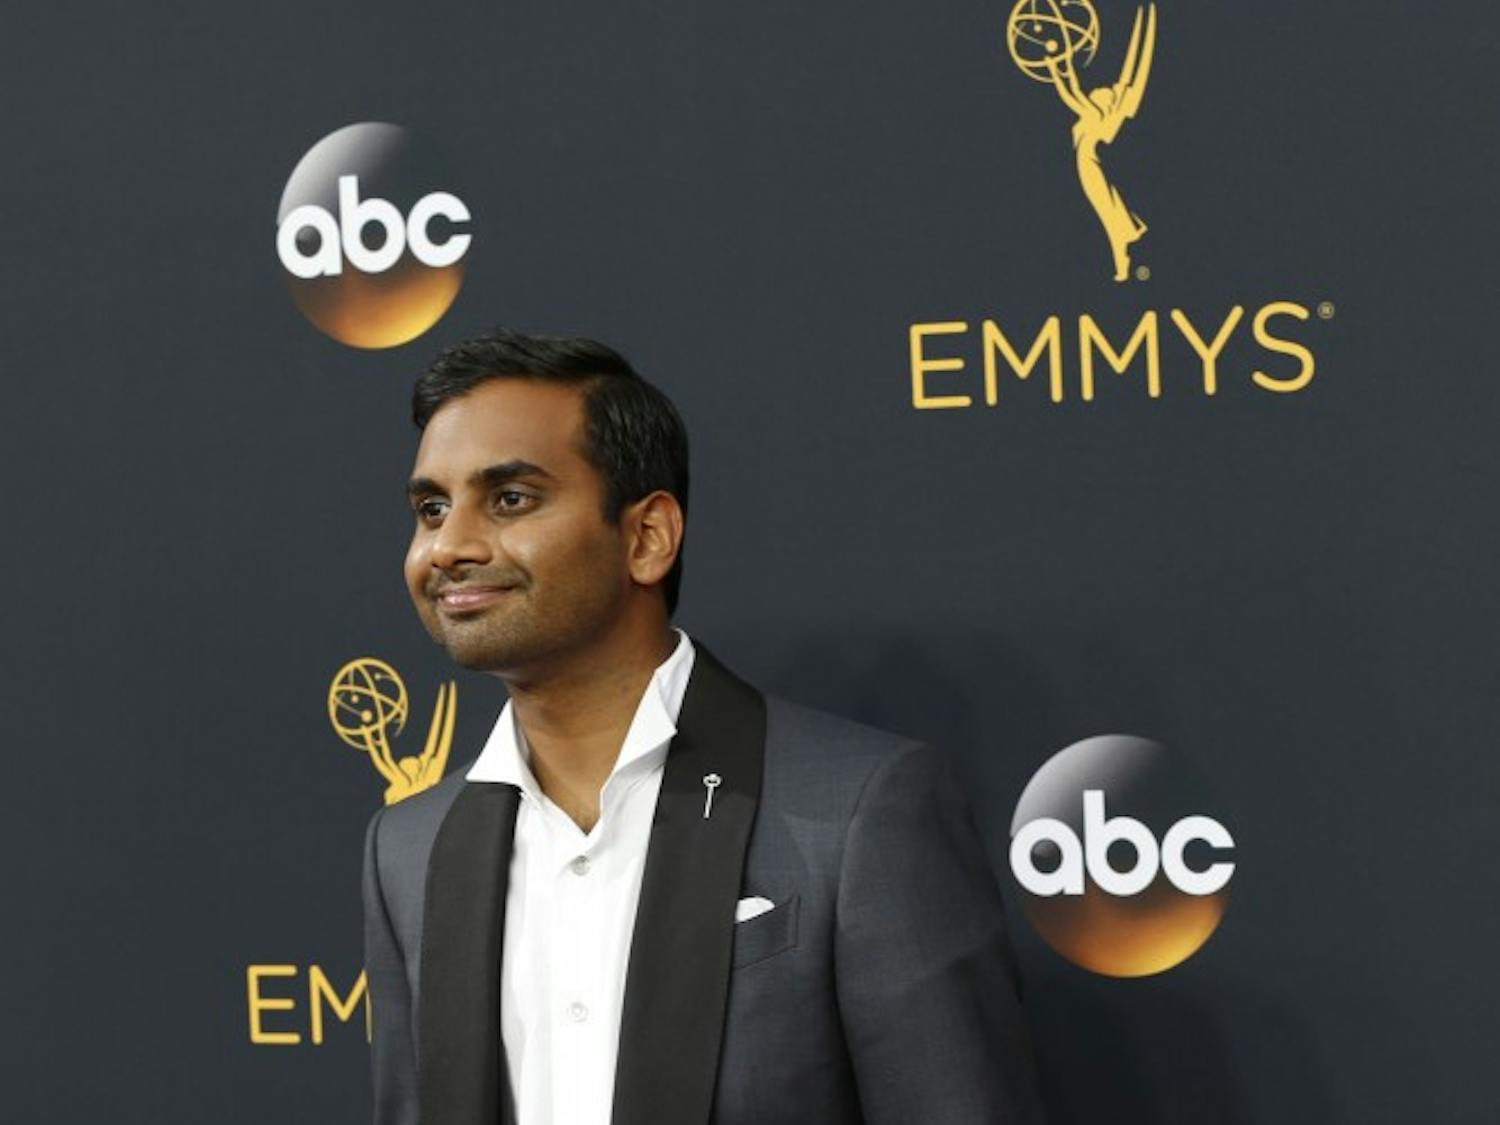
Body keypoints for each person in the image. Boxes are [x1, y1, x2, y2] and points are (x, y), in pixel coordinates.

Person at [362, 328, 1046, 1125]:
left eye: (510, 498)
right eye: (431, 508)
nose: (448, 546)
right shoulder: (408, 850)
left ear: (647, 536)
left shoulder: (860, 812)